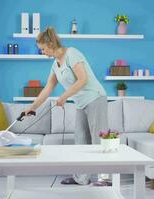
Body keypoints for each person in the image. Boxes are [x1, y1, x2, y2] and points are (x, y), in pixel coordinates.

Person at [23, 27, 110, 185]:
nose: (42, 52)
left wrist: (64, 97)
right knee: (81, 140)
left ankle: (105, 179)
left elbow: (82, 79)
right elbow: (48, 88)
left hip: (95, 98)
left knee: (99, 139)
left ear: (50, 44)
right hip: (81, 103)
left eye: (43, 49)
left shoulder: (72, 53)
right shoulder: (55, 65)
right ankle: (81, 178)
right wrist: (32, 107)